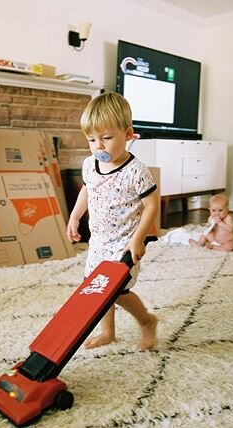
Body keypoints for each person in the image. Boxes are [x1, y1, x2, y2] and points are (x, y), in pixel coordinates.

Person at [66, 92, 159, 351]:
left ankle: (146, 320)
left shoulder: (135, 171)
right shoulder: (89, 164)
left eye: (106, 138)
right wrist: (74, 217)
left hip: (124, 244)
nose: (99, 146)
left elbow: (151, 204)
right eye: (92, 139)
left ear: (128, 134)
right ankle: (108, 332)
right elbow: (87, 189)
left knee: (116, 292)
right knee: (96, 289)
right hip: (99, 241)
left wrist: (138, 238)